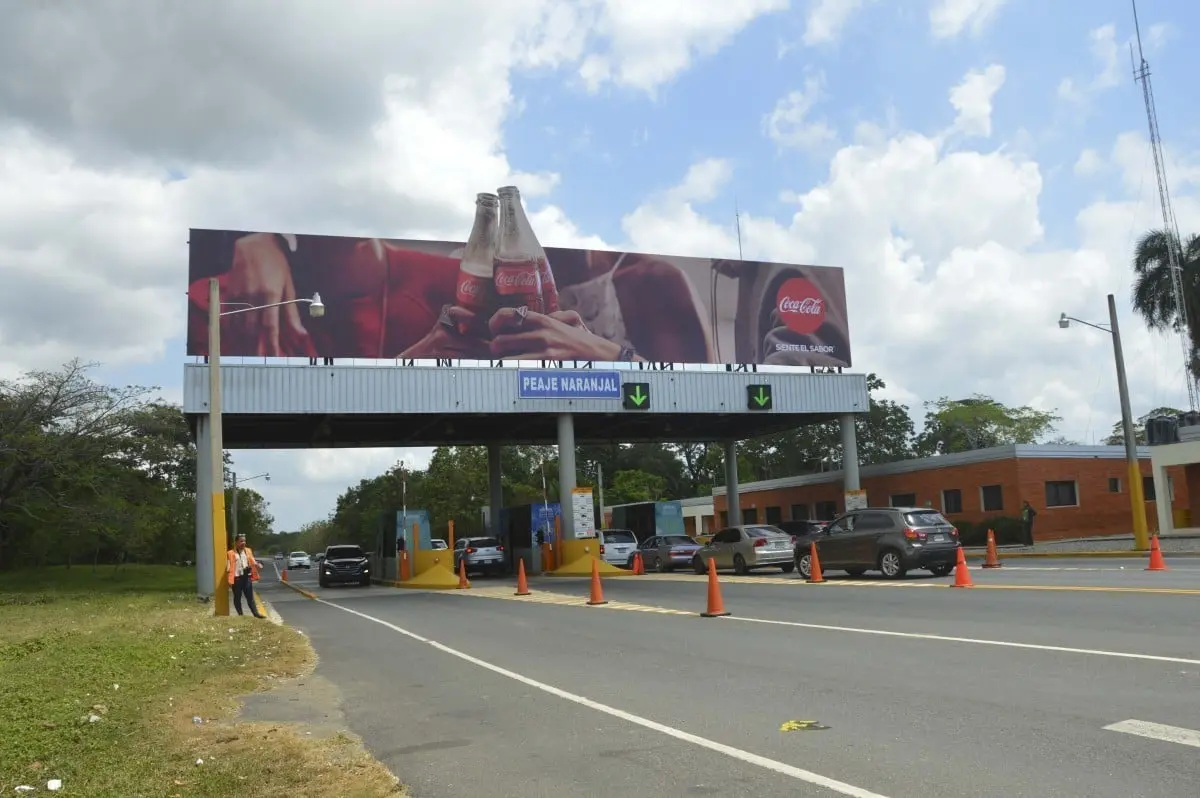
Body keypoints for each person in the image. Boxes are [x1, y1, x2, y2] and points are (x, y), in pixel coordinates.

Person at [226, 534, 265, 618]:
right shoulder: (230, 553)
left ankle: (256, 614)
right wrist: (229, 580)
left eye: (244, 541)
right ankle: (241, 615)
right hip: (237, 579)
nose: (243, 543)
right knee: (237, 598)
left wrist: (257, 564)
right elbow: (228, 567)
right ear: (236, 542)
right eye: (241, 541)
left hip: (247, 577)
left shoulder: (248, 551)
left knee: (250, 597)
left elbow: (252, 561)